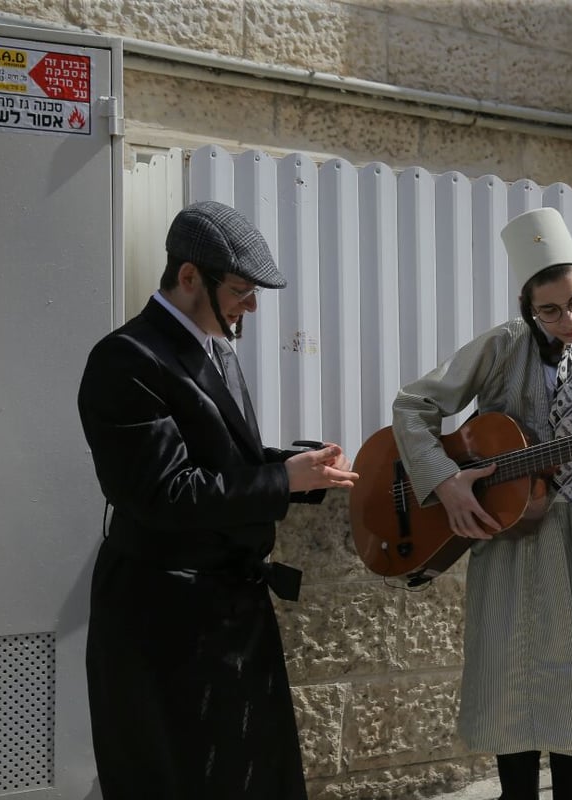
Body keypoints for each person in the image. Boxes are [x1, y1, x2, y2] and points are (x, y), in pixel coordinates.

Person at [76, 200, 358, 799]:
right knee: (184, 778)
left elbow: (225, 462)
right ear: (187, 277)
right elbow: (165, 493)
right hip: (164, 618)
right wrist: (285, 482)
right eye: (239, 289)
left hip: (226, 609)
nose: (250, 306)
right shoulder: (125, 359)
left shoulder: (213, 345)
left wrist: (297, 470)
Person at [390, 207, 572, 799]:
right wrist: (445, 480)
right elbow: (413, 406)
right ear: (527, 308)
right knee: (512, 709)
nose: (568, 319)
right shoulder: (501, 347)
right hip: (509, 544)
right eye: (551, 309)